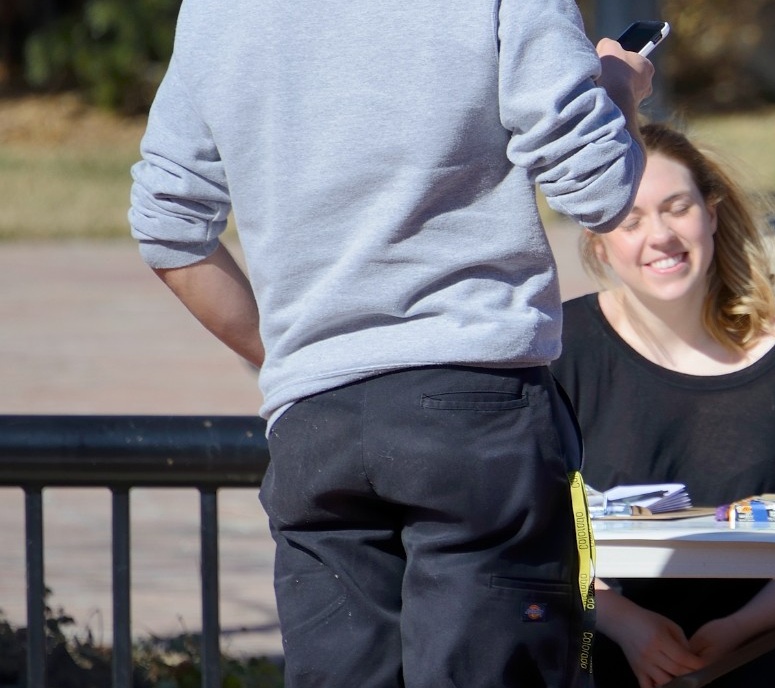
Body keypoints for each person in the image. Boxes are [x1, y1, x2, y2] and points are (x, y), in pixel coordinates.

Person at [128, 2, 655, 685]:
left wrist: (299, 355)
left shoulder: (218, 11)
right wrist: (615, 87)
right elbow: (598, 186)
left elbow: (168, 228)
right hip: (475, 407)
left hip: (318, 421)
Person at [550, 123, 775, 688]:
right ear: (598, 240)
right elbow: (525, 528)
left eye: (677, 208)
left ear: (712, 212)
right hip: (602, 631)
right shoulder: (564, 347)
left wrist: (735, 632)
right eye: (630, 221)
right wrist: (629, 625)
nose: (659, 236)